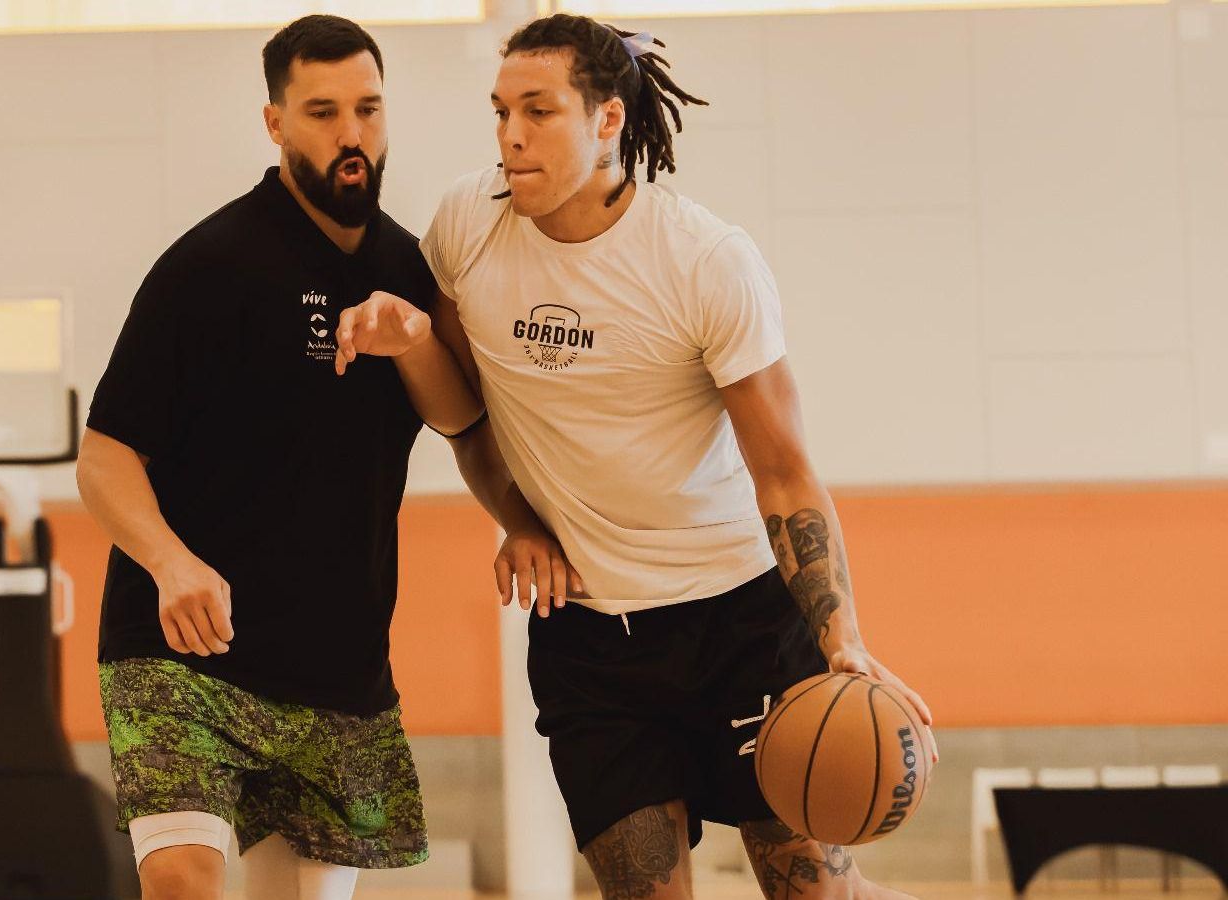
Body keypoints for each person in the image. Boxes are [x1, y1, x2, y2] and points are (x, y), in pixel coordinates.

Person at [336, 13, 936, 900]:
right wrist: (517, 518)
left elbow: (784, 472)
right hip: (591, 639)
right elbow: (467, 416)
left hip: (741, 620)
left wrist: (840, 635)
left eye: (537, 111)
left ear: (608, 119)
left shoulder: (704, 261)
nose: (510, 135)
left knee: (815, 890)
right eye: (500, 111)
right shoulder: (469, 224)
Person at [76, 15, 481, 900]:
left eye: (369, 110)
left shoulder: (413, 268)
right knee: (183, 880)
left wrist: (413, 337)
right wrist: (170, 562)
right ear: (276, 123)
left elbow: (459, 417)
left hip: (336, 667)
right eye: (324, 111)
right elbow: (103, 456)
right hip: (182, 647)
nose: (351, 135)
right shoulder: (209, 267)